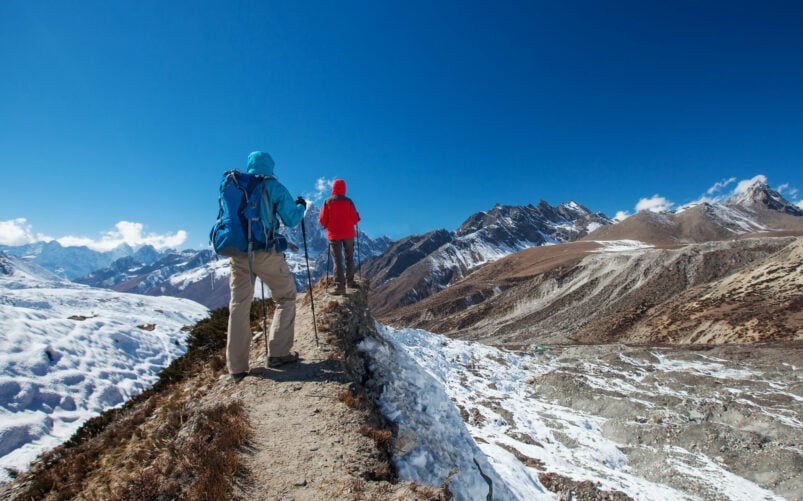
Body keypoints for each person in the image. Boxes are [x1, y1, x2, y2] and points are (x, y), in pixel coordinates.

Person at [227, 150, 307, 382]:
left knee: (239, 306)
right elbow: (292, 218)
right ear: (270, 167)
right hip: (265, 252)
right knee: (285, 297)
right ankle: (278, 353)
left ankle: (237, 367)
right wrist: (301, 206)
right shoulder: (273, 186)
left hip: (238, 254)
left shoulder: (235, 185)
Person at [319, 179, 360, 295]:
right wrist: (357, 217)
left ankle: (339, 286)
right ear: (344, 188)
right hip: (348, 234)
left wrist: (328, 225)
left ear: (333, 188)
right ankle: (350, 282)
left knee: (337, 260)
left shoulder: (327, 202)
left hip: (334, 234)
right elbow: (355, 219)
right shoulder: (349, 201)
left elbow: (322, 220)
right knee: (349, 257)